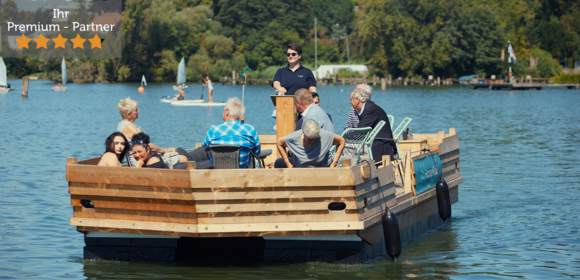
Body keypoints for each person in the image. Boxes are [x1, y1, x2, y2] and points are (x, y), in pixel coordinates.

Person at [116, 97, 181, 166]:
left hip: (145, 159)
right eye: (136, 110)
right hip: (142, 163)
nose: (138, 111)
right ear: (129, 114)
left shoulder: (121, 125)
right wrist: (163, 150)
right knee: (182, 157)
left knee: (179, 150)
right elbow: (146, 144)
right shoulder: (128, 127)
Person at [202, 97, 261, 168]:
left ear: (227, 112)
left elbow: (204, 147)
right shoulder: (250, 129)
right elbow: (257, 152)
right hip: (242, 174)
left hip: (218, 173)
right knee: (254, 159)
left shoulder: (213, 129)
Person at [349, 88, 397, 161]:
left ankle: (349, 169)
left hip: (382, 145)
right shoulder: (370, 106)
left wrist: (342, 138)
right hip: (380, 142)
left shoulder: (369, 109)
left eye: (351, 99)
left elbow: (359, 133)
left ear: (357, 100)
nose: (350, 102)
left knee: (345, 146)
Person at [275, 119, 345, 168]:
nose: (312, 141)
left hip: (321, 173)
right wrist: (288, 164)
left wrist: (334, 163)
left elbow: (341, 141)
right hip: (300, 174)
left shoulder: (325, 136)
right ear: (303, 134)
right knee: (278, 162)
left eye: (315, 138)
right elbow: (279, 142)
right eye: (309, 139)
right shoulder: (295, 137)